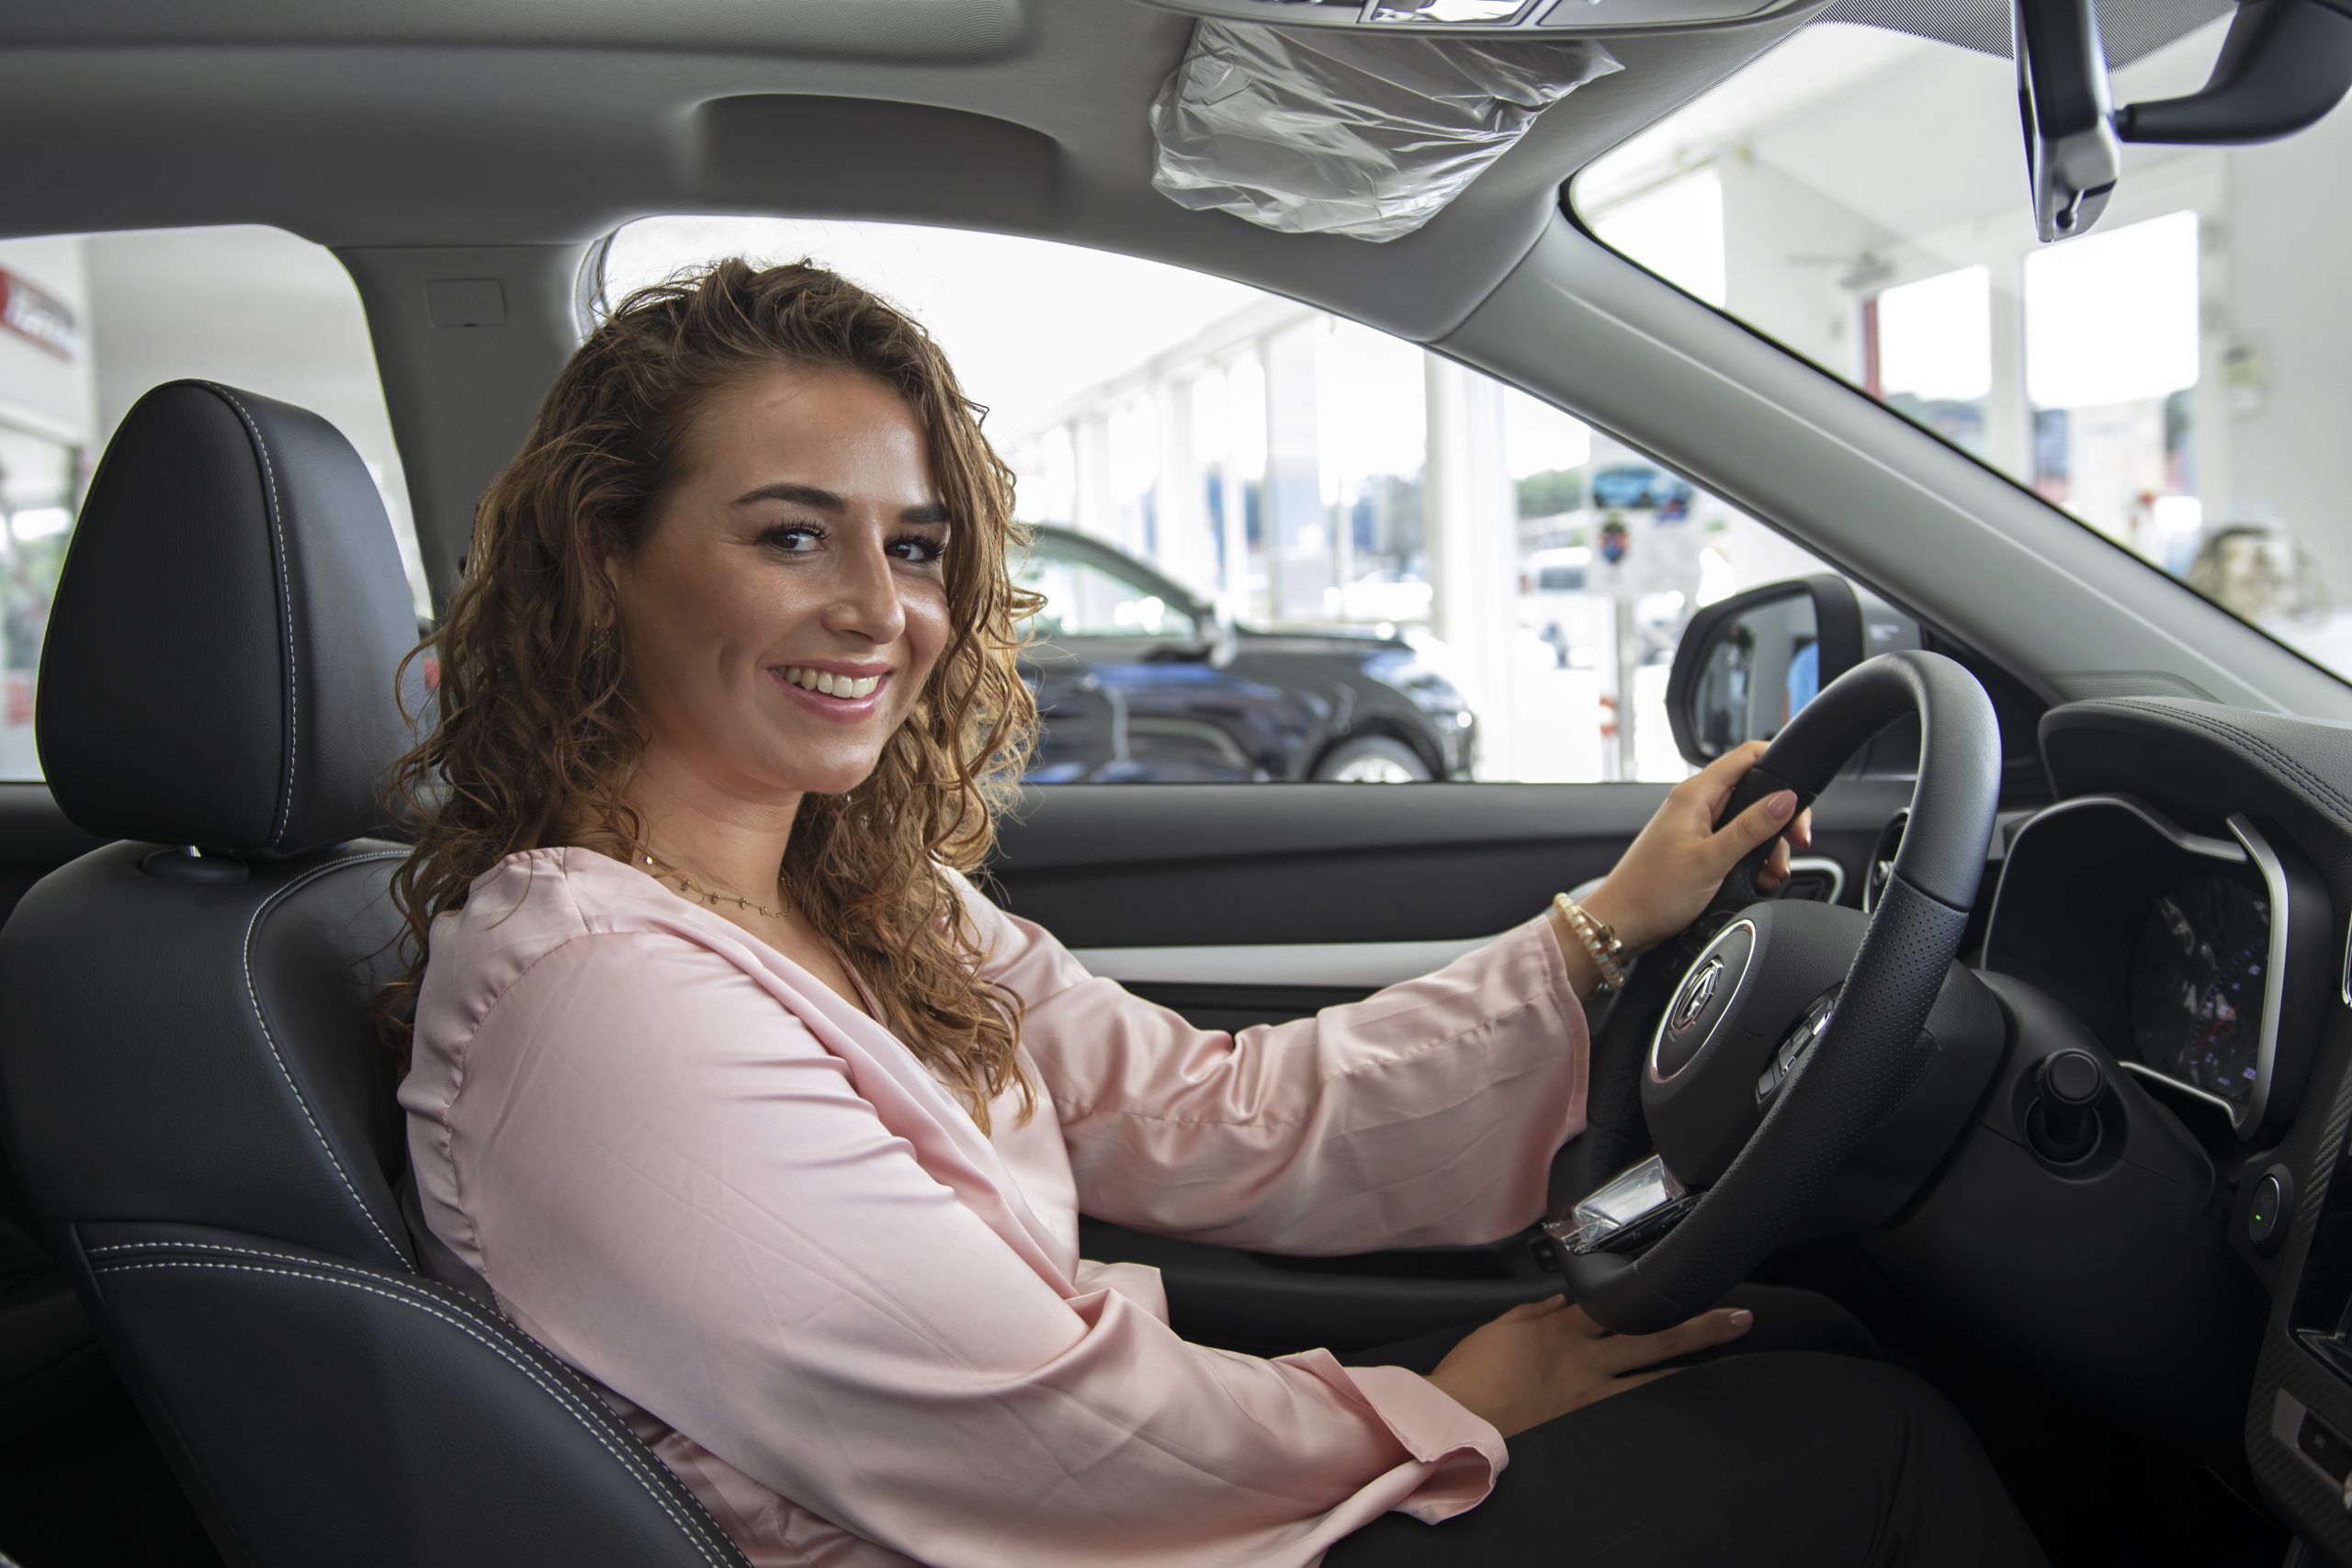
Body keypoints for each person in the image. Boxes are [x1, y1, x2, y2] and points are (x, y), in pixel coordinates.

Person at [385, 259, 2045, 1567]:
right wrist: (1439, 1406)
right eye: (792, 535)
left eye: (916, 546)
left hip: (1106, 1502)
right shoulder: (599, 999)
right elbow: (1028, 1437)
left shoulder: (855, 897)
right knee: (1867, 1451)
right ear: (605, 558)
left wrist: (1604, 927)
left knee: (1803, 1341)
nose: (880, 611)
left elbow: (1209, 1114)